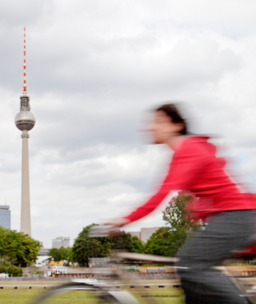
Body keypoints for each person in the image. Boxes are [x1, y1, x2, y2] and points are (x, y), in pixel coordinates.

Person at [107, 103, 255, 304]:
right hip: (233, 216)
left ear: (176, 125)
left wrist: (123, 220)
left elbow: (160, 194)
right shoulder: (188, 149)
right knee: (191, 282)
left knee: (189, 265)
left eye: (158, 122)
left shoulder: (188, 149)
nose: (150, 127)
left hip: (235, 216)